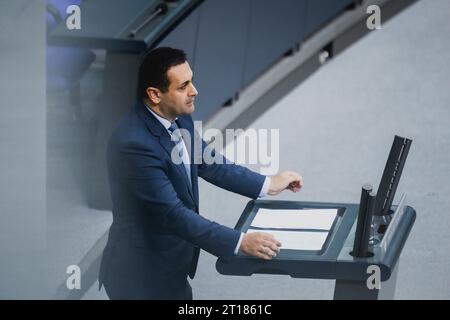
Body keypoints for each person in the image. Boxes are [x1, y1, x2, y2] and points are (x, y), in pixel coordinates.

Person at [98, 47, 303, 300]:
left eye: (191, 81)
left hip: (171, 262)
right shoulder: (133, 145)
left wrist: (268, 183)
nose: (194, 91)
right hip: (142, 275)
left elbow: (209, 162)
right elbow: (173, 214)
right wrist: (240, 242)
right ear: (154, 94)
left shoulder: (178, 116)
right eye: (183, 86)